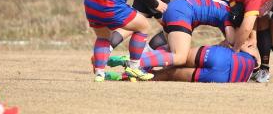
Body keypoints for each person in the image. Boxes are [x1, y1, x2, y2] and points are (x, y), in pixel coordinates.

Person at [102, 0, 235, 71]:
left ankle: (137, 59)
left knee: (170, 49)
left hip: (176, 4)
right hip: (183, 11)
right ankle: (136, 62)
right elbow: (232, 40)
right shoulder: (230, 15)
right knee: (180, 57)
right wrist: (231, 40)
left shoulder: (225, 4)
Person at [106, 43, 259, 83]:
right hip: (225, 77)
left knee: (177, 54)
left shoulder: (253, 55)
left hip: (222, 56)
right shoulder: (248, 74)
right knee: (165, 74)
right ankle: (117, 77)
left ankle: (136, 59)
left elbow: (242, 44)